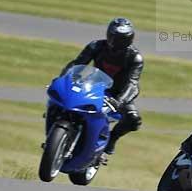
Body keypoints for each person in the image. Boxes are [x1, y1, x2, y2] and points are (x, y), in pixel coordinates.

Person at [57, 17, 143, 157]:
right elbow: (77, 64)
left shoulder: (134, 58)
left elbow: (132, 83)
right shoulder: (95, 46)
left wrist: (119, 101)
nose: (115, 42)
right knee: (64, 97)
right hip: (94, 85)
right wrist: (65, 79)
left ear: (129, 39)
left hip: (118, 93)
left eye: (121, 39)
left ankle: (111, 139)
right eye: (113, 37)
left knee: (134, 120)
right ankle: (58, 121)